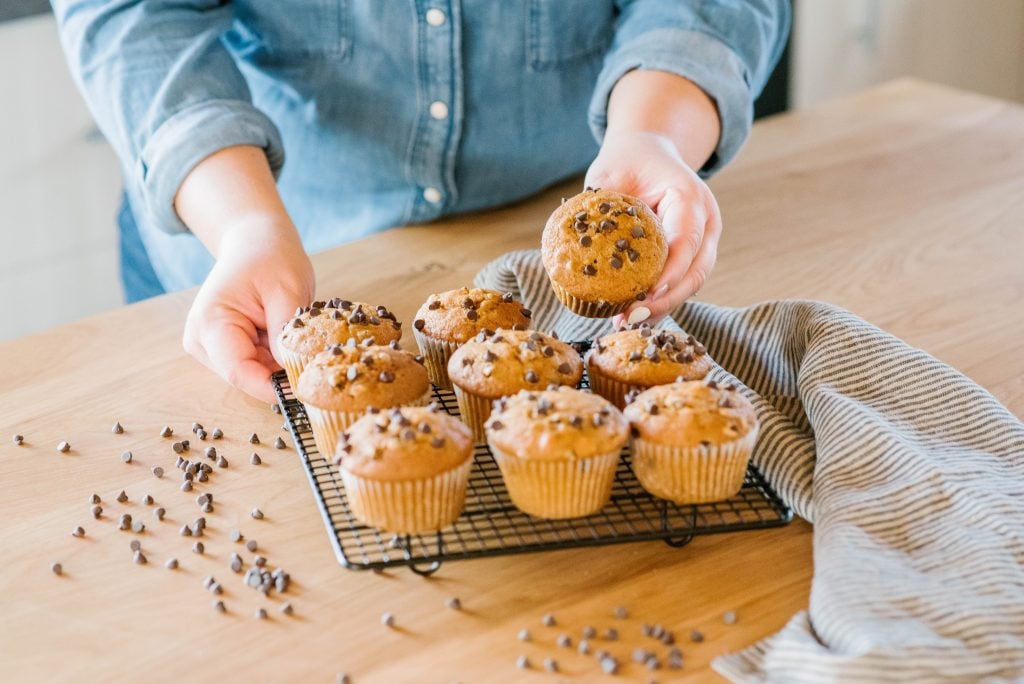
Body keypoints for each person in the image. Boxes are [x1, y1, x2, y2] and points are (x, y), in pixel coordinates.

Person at [53, 1, 790, 402]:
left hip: (562, 196)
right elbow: (130, 15)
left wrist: (656, 136)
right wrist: (243, 221)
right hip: (245, 241)